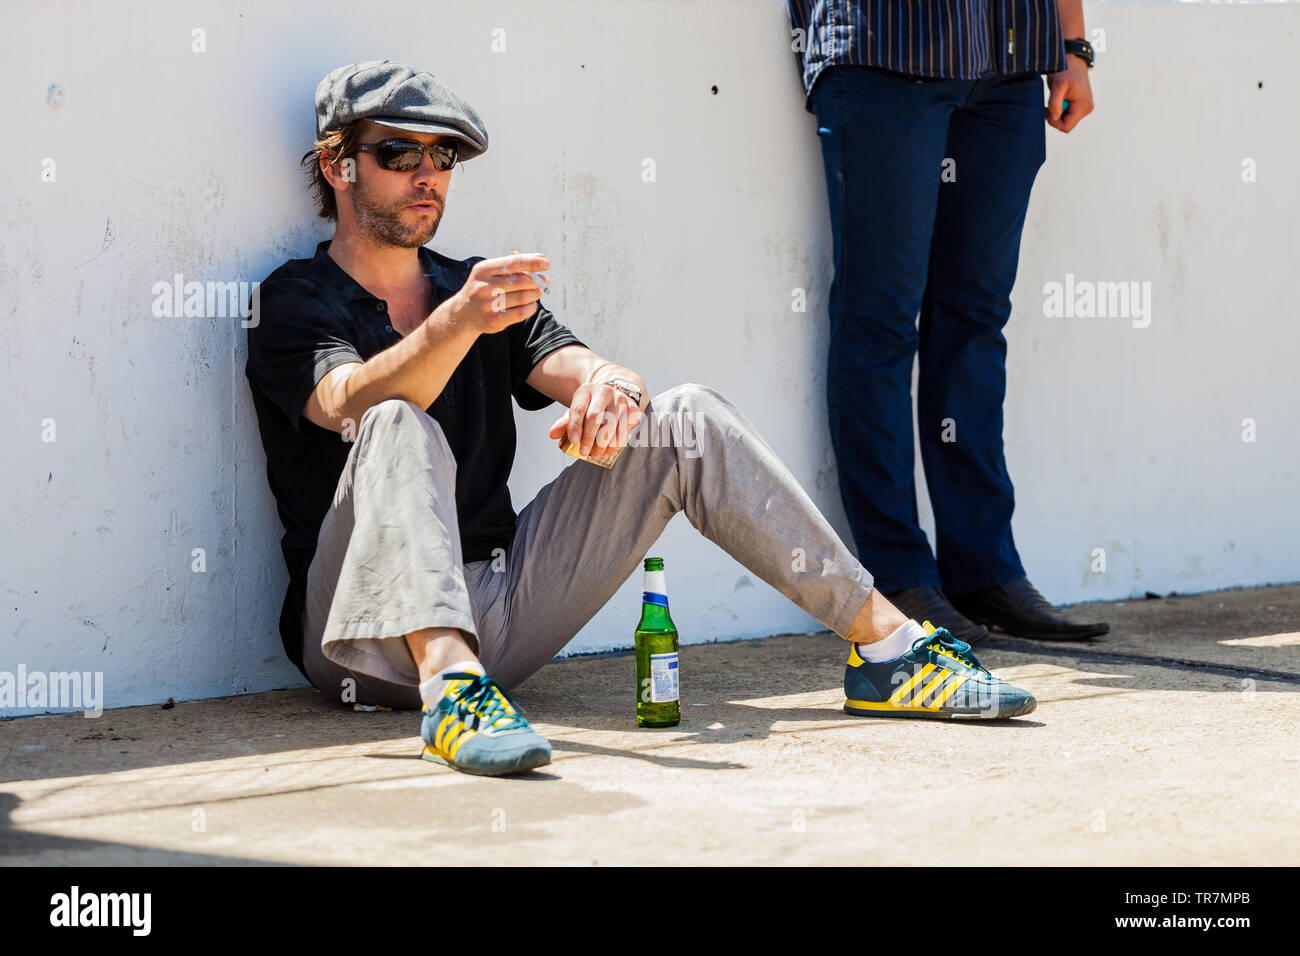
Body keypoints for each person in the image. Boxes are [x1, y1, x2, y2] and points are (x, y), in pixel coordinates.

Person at [245, 60, 1039, 778]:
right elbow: (345, 403)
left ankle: (890, 651)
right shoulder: (296, 299)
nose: (427, 175)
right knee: (394, 420)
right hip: (358, 627)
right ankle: (451, 690)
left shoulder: (476, 286)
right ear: (337, 165)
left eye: (442, 157)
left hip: (503, 606)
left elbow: (582, 363)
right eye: (399, 154)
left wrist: (612, 390)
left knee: (683, 418)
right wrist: (458, 322)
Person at [785, 0, 1110, 643]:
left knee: (976, 318)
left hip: (1009, 54)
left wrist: (1073, 48)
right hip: (886, 47)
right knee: (879, 319)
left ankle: (983, 569)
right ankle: (899, 574)